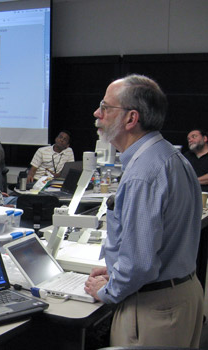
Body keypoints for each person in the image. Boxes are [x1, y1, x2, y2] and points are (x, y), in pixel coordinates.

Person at [84, 74, 203, 347]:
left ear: (131, 118)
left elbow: (140, 264)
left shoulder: (143, 173)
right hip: (182, 295)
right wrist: (117, 267)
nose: (97, 113)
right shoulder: (172, 158)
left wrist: (107, 290)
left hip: (153, 307)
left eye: (105, 107)